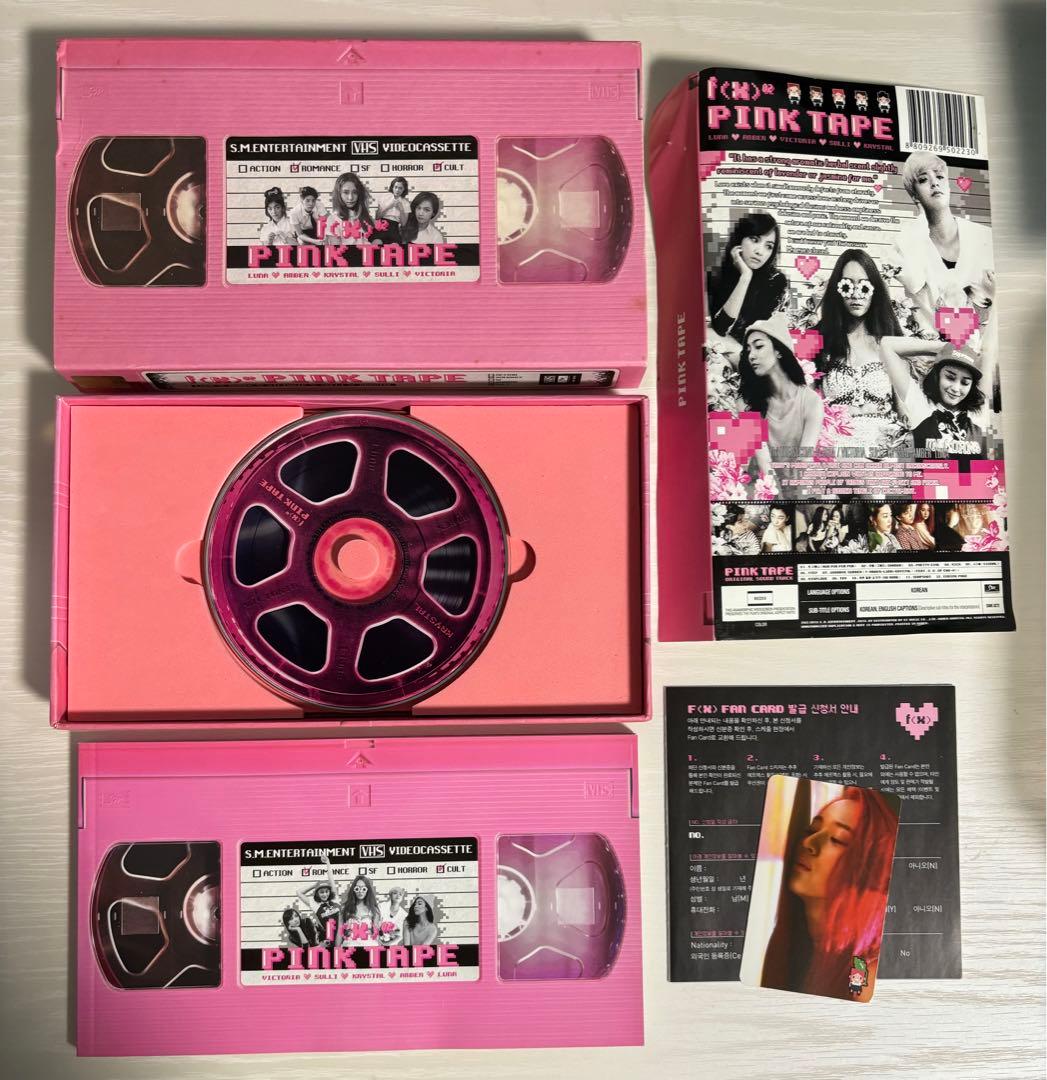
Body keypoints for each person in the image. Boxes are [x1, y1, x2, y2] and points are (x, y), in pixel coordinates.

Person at [760, 785, 899, 1001]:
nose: (808, 843)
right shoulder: (793, 949)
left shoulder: (863, 971)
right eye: (812, 830)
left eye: (838, 839)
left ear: (870, 870)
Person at [892, 151, 994, 336]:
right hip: (938, 349)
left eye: (939, 177)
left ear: (948, 185)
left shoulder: (986, 237)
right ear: (914, 195)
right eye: (923, 179)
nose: (934, 183)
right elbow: (925, 316)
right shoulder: (906, 246)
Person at [815, 249, 906, 455]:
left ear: (875, 290)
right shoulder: (820, 341)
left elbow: (905, 412)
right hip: (835, 455)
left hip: (882, 457)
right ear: (838, 290)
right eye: (847, 286)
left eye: (864, 287)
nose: (856, 295)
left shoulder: (891, 342)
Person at [739, 315, 824, 468]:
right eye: (748, 350)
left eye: (759, 346)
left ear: (779, 350)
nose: (751, 356)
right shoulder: (746, 402)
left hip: (800, 476)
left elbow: (805, 459)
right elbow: (764, 463)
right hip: (764, 479)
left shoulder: (811, 401)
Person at [880, 339, 987, 459]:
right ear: (937, 375)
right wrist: (947, 347)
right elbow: (887, 345)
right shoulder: (920, 403)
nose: (956, 389)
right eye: (950, 377)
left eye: (965, 383)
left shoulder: (977, 419)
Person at [706, 212, 788, 346]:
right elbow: (721, 328)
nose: (760, 252)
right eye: (755, 239)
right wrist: (745, 277)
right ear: (740, 239)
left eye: (768, 246)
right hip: (719, 349)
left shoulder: (776, 282)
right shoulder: (715, 277)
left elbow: (761, 340)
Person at [297, 852, 341, 942]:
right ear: (317, 893)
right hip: (331, 939)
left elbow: (331, 878)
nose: (324, 894)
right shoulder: (315, 904)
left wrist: (328, 862)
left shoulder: (335, 898)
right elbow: (299, 892)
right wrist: (315, 885)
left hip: (344, 935)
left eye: (326, 891)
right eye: (321, 892)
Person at [325, 172, 375, 245]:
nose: (350, 197)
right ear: (339, 194)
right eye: (346, 192)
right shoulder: (333, 220)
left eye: (355, 192)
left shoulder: (366, 217)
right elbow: (336, 249)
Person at [336, 875, 381, 944]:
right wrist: (336, 949)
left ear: (367, 890)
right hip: (350, 945)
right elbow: (340, 933)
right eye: (357, 888)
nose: (360, 891)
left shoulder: (373, 910)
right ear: (353, 889)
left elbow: (376, 935)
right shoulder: (345, 908)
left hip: (369, 945)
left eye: (363, 889)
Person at [374, 177, 411, 243]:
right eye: (395, 187)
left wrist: (401, 210)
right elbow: (377, 217)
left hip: (394, 227)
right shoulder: (384, 197)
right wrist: (389, 206)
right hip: (381, 225)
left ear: (404, 189)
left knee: (395, 246)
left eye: (400, 188)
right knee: (377, 243)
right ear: (392, 187)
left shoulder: (406, 203)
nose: (397, 190)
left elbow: (403, 224)